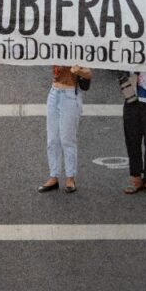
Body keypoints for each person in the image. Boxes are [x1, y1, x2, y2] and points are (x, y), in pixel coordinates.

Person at [39, 65, 91, 194]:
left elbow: (89, 73)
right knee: (52, 139)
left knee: (67, 139)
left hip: (70, 94)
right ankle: (53, 176)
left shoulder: (76, 49)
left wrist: (77, 70)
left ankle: (70, 178)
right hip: (54, 92)